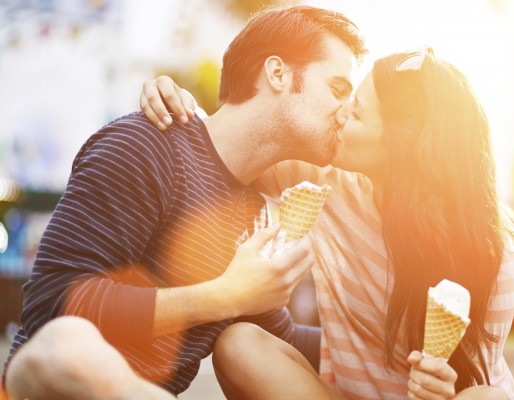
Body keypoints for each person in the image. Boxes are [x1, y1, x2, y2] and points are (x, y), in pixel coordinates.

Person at [2, 6, 368, 399]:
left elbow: (284, 341)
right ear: (277, 73)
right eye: (337, 89)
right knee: (67, 341)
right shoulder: (147, 144)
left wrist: (403, 355)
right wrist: (220, 297)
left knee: (245, 342)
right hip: (49, 388)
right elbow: (55, 307)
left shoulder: (248, 211)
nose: (346, 112)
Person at [139, 47, 514, 399]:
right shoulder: (322, 179)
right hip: (339, 393)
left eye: (357, 112)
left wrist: (441, 387)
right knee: (238, 345)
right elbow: (226, 145)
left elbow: (478, 378)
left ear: (401, 147)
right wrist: (178, 104)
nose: (339, 114)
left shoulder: (491, 251)